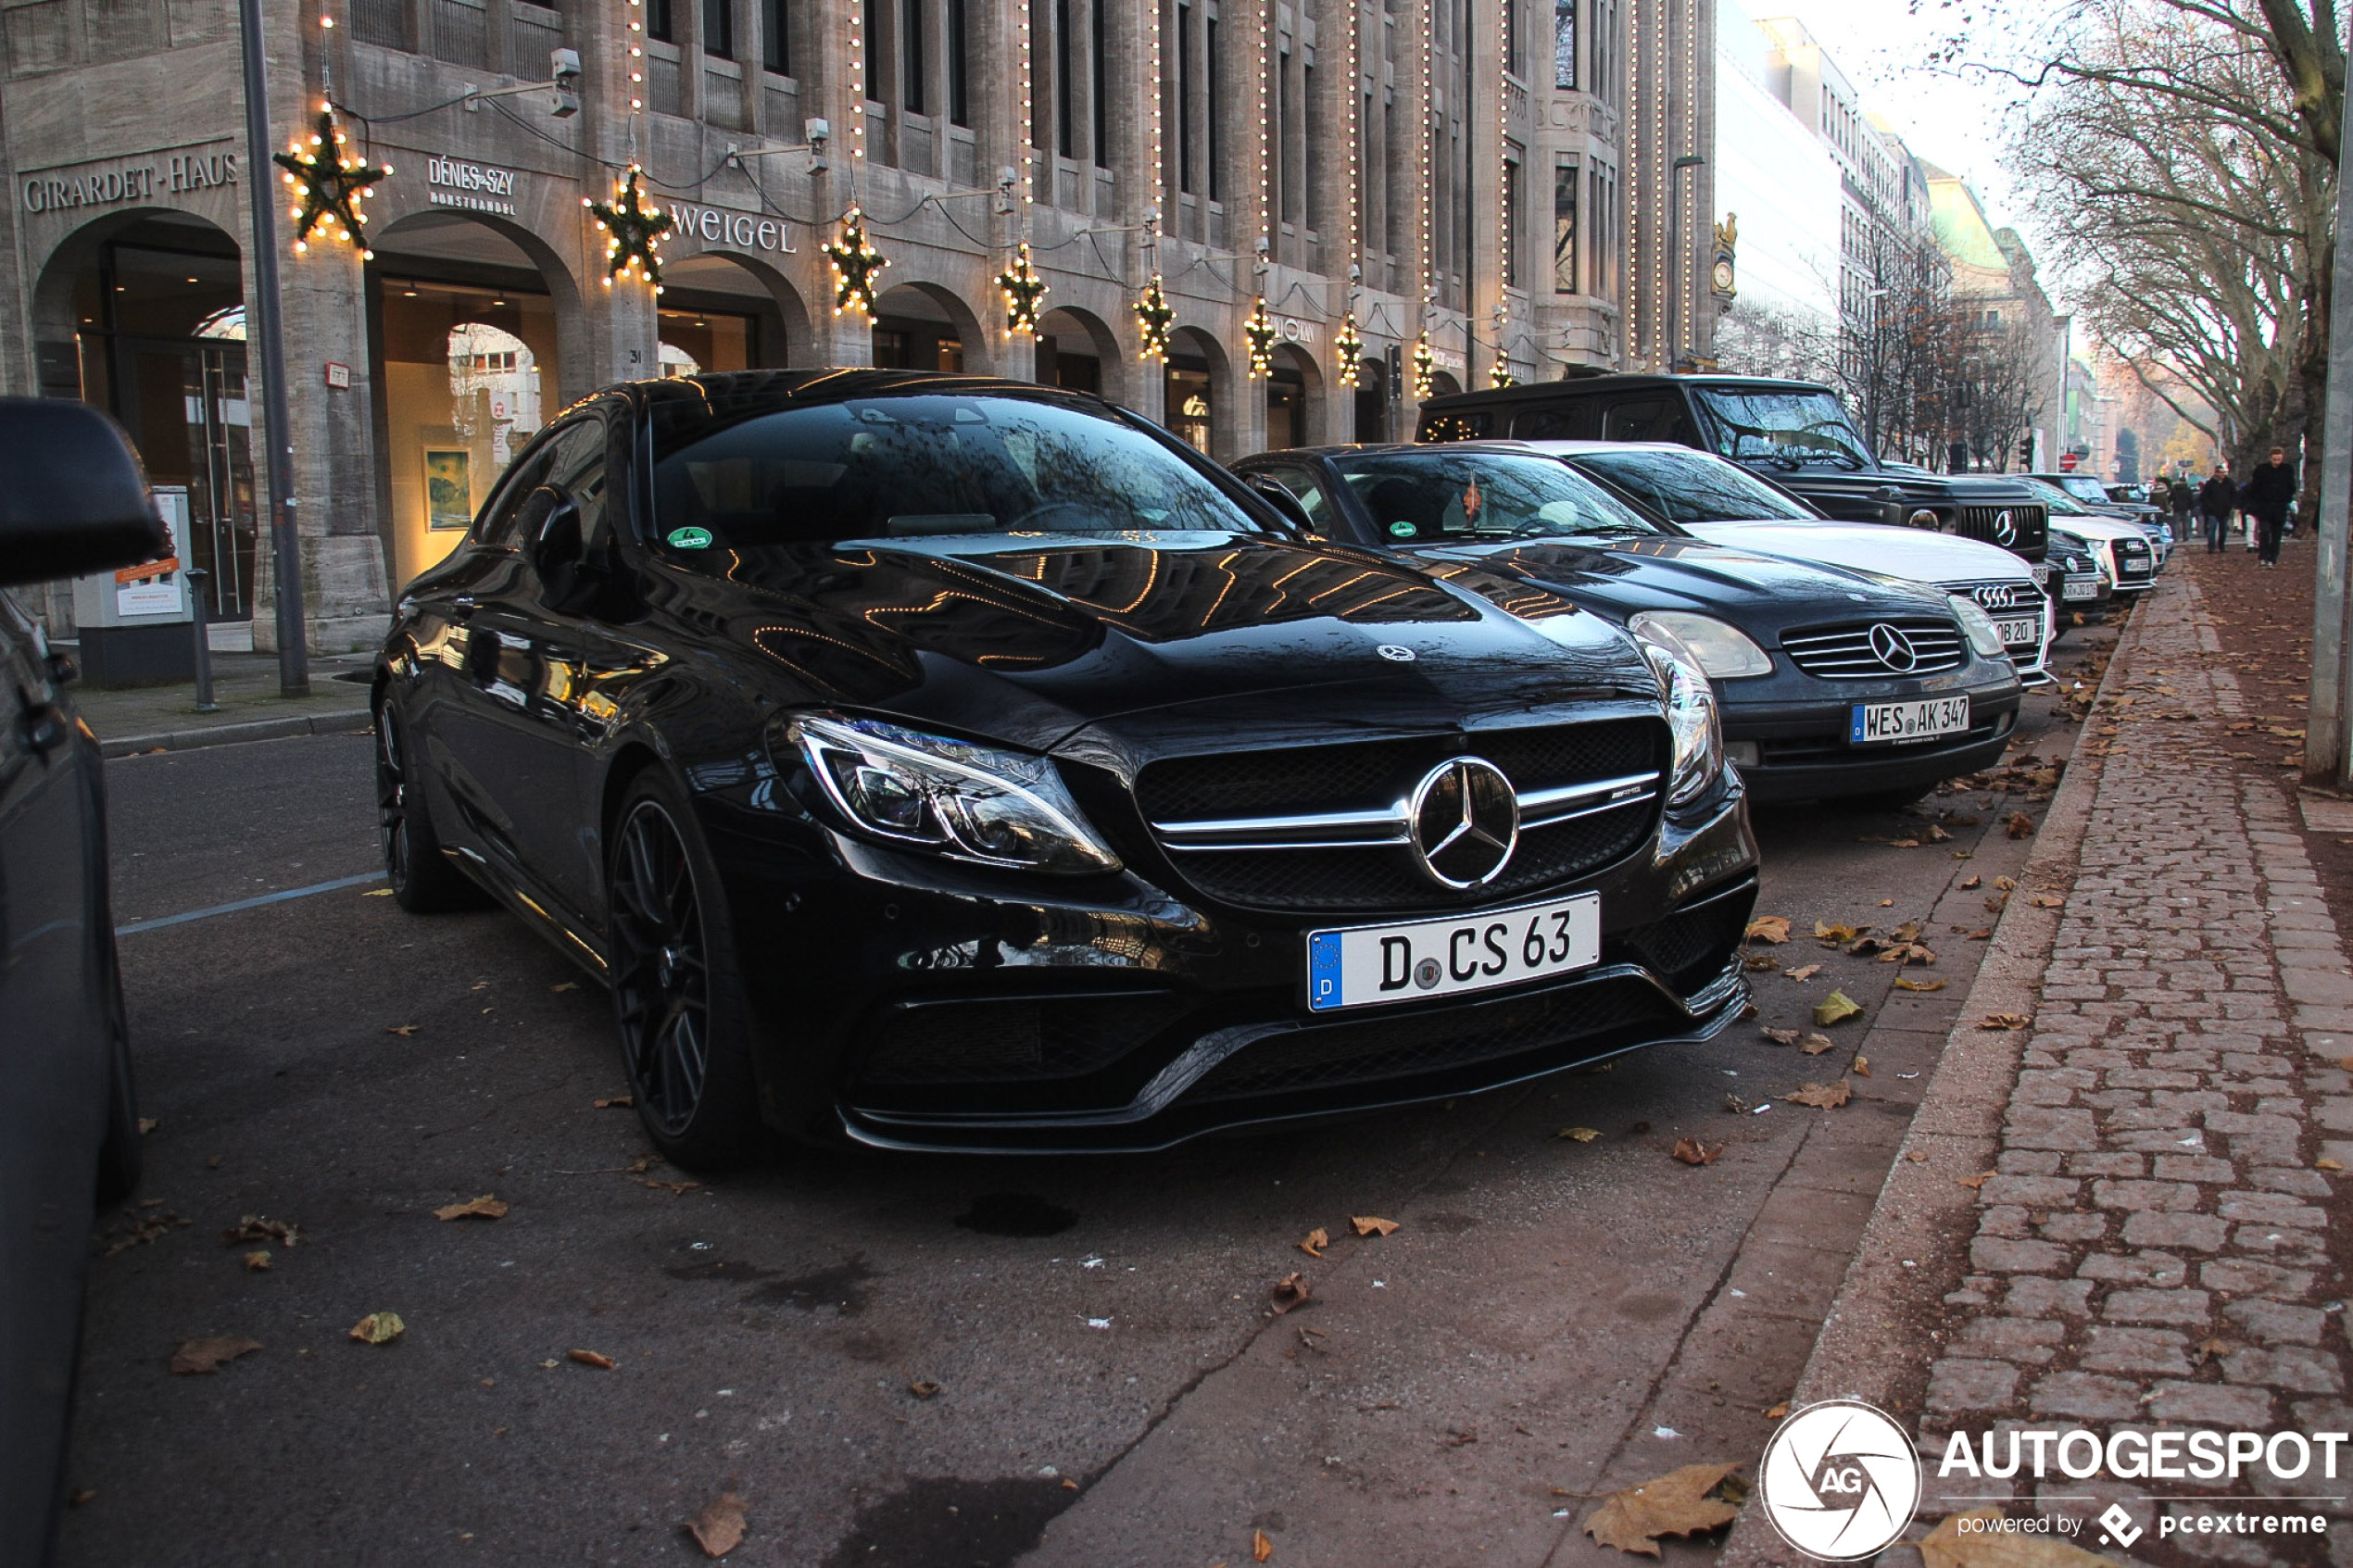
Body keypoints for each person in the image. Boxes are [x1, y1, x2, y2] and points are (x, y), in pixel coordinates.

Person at [2242, 445, 2298, 568]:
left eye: (2279, 459)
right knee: (2265, 532)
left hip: (2279, 506)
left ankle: (2272, 558)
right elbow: (2255, 487)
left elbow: (2291, 486)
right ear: (2270, 458)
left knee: (2276, 534)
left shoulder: (2287, 470)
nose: (2277, 462)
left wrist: (2286, 498)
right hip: (2264, 506)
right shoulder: (2262, 470)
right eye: (2274, 459)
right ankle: (2263, 556)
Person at [2198, 459, 2236, 553]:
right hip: (2212, 511)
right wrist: (2210, 506)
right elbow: (2204, 497)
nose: (2223, 474)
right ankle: (2211, 547)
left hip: (2225, 510)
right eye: (2221, 472)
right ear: (2216, 473)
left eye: (2224, 472)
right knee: (2212, 528)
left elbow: (2234, 494)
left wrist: (2230, 505)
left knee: (2223, 530)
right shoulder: (2210, 484)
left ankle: (2221, 546)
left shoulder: (2229, 482)